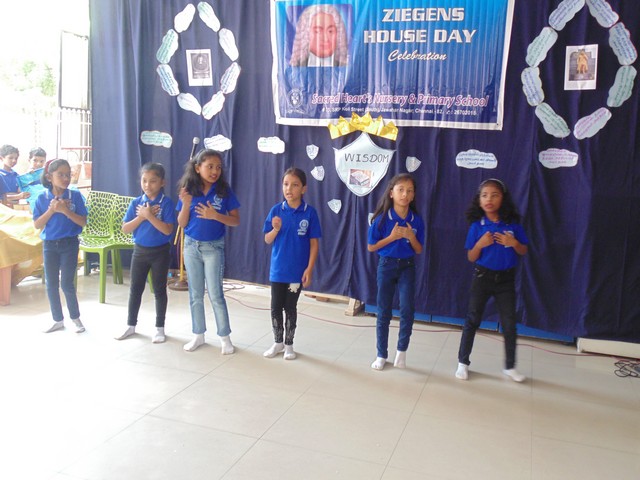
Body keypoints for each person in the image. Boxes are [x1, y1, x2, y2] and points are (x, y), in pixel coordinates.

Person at [455, 178, 529, 382]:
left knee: (509, 323)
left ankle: (510, 367)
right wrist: (479, 244)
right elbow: (471, 257)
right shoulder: (477, 226)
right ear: (479, 200)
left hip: (506, 281)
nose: (489, 199)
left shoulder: (512, 225)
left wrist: (513, 243)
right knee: (472, 319)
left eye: (494, 195)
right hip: (482, 278)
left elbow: (523, 250)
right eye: (484, 195)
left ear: (503, 198)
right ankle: (462, 363)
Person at [177, 149, 240, 353]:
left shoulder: (224, 191)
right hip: (191, 247)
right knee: (195, 294)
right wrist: (186, 204)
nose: (215, 171)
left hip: (213, 248)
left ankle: (225, 338)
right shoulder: (189, 190)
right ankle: (198, 335)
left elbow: (236, 220)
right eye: (210, 166)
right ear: (198, 168)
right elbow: (181, 223)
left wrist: (215, 216)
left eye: (218, 167)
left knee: (216, 294)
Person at [263, 168, 322, 360]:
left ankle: (289, 344)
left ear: (303, 189)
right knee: (275, 307)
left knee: (290, 307)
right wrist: (275, 229)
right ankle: (277, 342)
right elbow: (267, 239)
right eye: (286, 184)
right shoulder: (276, 211)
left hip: (296, 273)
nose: (289, 189)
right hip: (278, 271)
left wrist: (309, 269)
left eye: (295, 185)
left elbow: (314, 244)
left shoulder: (310, 213)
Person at [368, 173, 425, 370]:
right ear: (391, 193)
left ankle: (402, 351)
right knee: (383, 310)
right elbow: (371, 246)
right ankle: (381, 354)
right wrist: (392, 237)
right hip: (387, 266)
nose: (405, 194)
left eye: (409, 191)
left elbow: (419, 249)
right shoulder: (382, 219)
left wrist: (411, 237)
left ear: (413, 195)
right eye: (401, 190)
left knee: (407, 309)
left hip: (407, 266)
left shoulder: (416, 220)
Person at [115, 163, 176, 343]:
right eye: (144, 180)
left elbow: (167, 230)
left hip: (160, 252)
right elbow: (125, 229)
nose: (148, 185)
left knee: (159, 290)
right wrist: (141, 216)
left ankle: (159, 328)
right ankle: (131, 325)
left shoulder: (166, 203)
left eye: (153, 181)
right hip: (140, 251)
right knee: (135, 289)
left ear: (162, 182)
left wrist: (149, 216)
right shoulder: (136, 203)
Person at [33, 159, 87, 333]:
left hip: (69, 244)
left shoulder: (74, 196)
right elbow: (37, 224)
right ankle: (57, 320)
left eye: (68, 175)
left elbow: (82, 222)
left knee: (67, 284)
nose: (65, 178)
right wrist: (52, 210)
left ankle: (75, 318)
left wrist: (65, 210)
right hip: (49, 245)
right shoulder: (42, 198)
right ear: (50, 177)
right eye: (61, 175)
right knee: (51, 284)